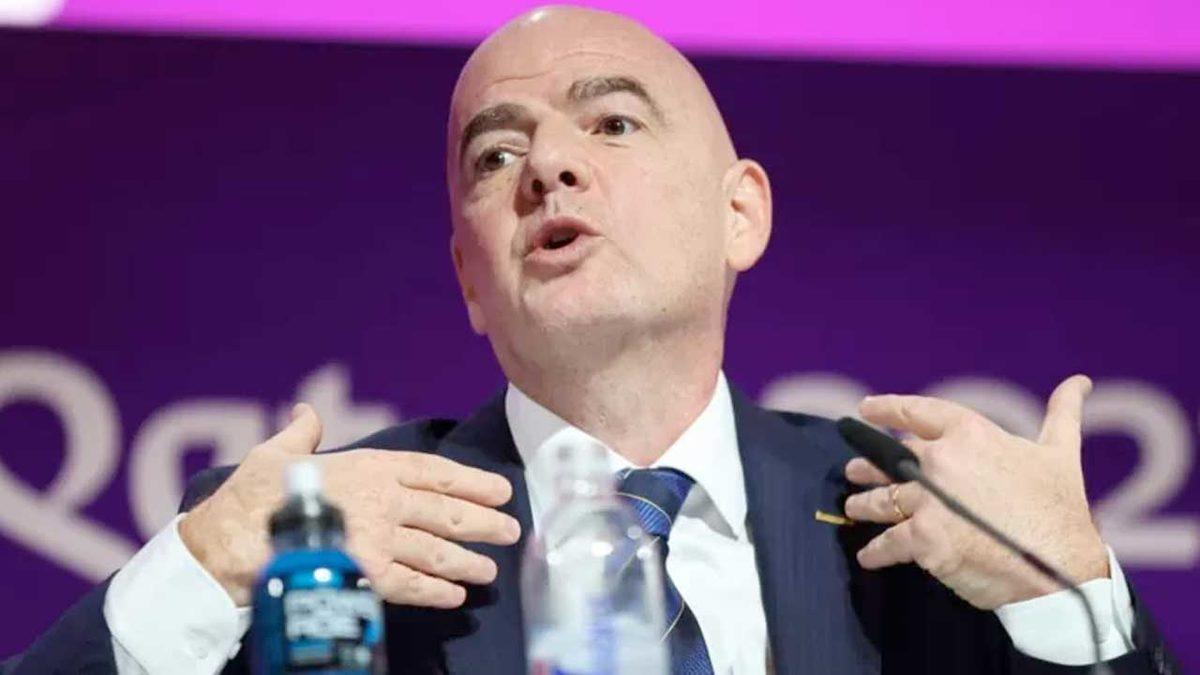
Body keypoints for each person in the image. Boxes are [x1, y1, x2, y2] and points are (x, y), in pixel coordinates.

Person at [5, 6, 1176, 675]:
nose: (550, 167)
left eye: (612, 123)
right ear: (470, 277)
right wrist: (207, 567)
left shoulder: (919, 533)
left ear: (740, 214)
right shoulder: (311, 548)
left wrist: (1072, 595)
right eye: (496, 155)